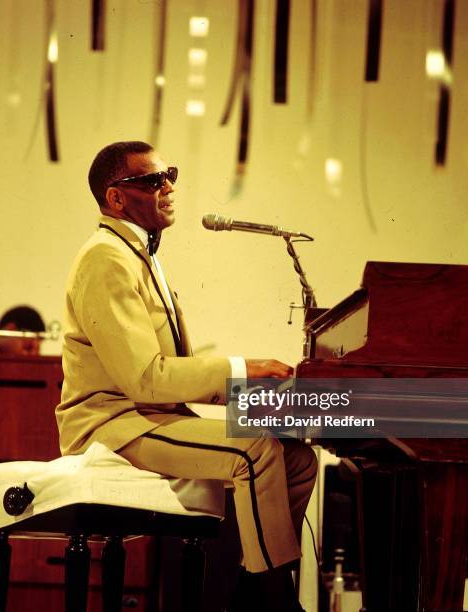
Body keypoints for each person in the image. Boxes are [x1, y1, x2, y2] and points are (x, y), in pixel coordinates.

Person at [56, 141, 317, 611]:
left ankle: (249, 590)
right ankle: (272, 600)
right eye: (152, 180)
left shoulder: (139, 255)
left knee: (298, 458)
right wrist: (241, 368)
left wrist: (255, 393)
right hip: (112, 426)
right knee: (254, 449)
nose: (168, 186)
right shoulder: (106, 259)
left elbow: (166, 374)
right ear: (116, 199)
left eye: (169, 174)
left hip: (150, 416)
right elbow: (145, 379)